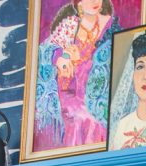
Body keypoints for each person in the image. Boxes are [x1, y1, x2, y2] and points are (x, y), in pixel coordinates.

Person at [34, 0, 121, 152]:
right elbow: (45, 51)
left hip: (95, 94)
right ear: (79, 4)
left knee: (89, 119)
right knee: (76, 117)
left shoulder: (110, 27)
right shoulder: (70, 25)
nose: (95, 1)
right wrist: (60, 57)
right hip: (68, 93)